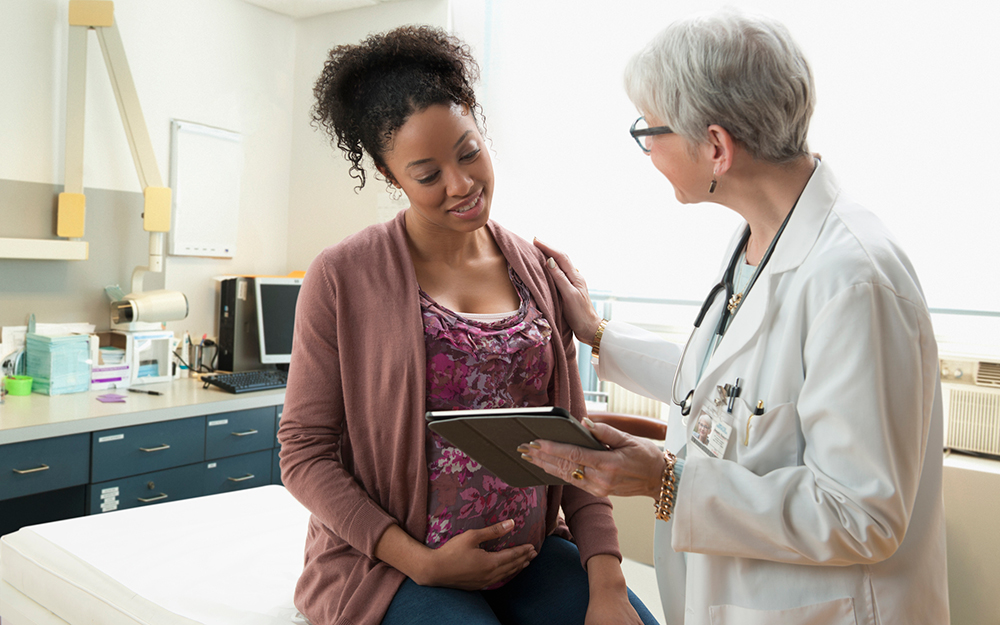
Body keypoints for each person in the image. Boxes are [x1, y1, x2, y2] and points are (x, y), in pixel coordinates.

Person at [520, 9, 949, 625]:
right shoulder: (761, 239)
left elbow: (863, 515)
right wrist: (598, 335)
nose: (647, 150)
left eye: (650, 131)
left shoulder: (853, 280)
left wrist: (665, 481)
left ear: (716, 146)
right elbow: (737, 391)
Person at [277, 25, 659, 625]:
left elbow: (573, 440)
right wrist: (419, 562)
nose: (460, 185)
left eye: (469, 152)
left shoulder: (533, 267)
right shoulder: (342, 276)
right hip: (396, 568)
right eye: (427, 175)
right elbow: (304, 453)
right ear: (388, 174)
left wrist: (607, 581)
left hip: (530, 556)